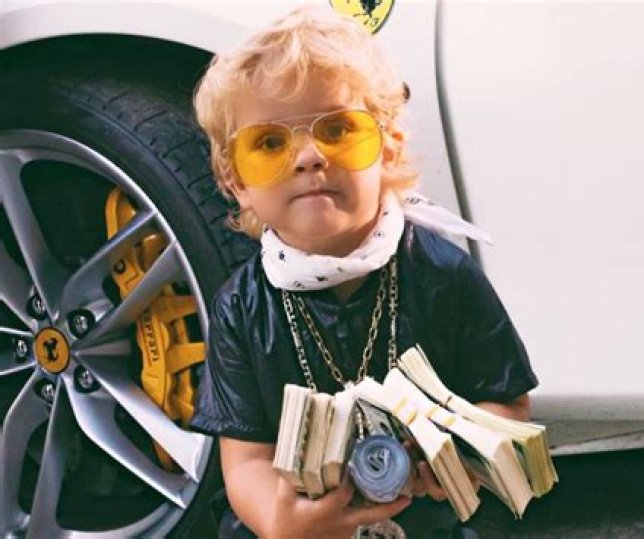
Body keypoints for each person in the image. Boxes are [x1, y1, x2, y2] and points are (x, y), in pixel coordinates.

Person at [189, 6, 538, 538]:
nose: (308, 157)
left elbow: (508, 403)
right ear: (236, 182)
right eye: (270, 144)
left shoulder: (444, 275)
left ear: (389, 147)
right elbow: (245, 462)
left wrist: (461, 454)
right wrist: (280, 523)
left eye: (337, 130)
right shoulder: (242, 306)